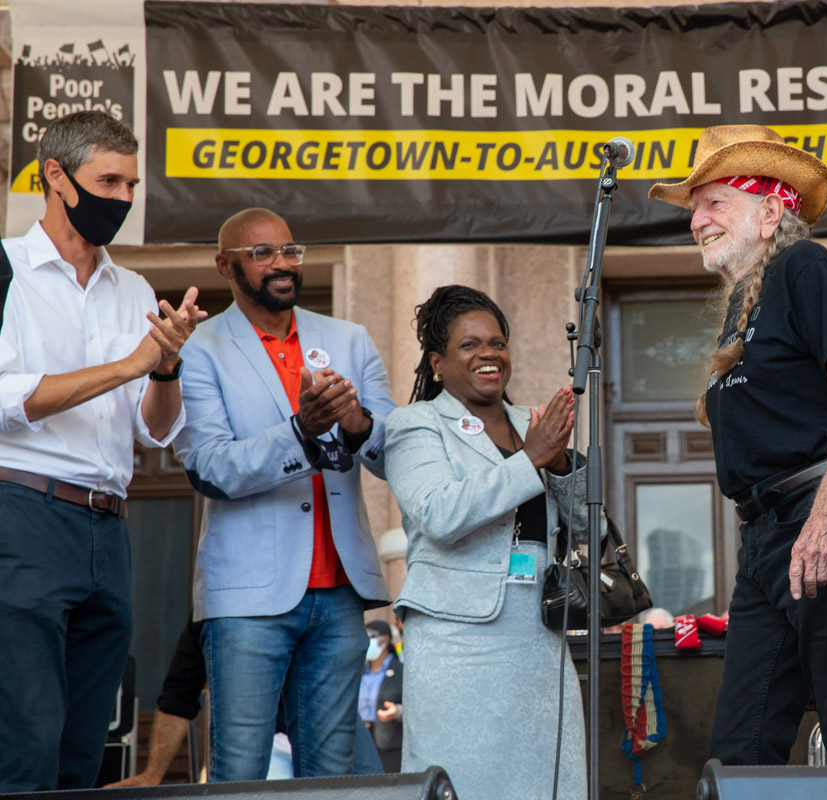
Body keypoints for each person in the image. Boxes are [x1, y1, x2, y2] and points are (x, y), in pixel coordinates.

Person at [648, 125, 827, 766]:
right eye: (694, 207)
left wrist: (824, 519)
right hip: (766, 537)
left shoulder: (803, 266)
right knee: (740, 748)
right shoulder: (746, 299)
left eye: (714, 203)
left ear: (770, 212)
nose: (696, 221)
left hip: (819, 519)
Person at [0, 109, 204, 791]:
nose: (121, 197)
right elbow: (6, 399)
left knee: (85, 744)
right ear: (55, 177)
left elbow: (156, 430)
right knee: (24, 737)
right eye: (107, 180)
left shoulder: (135, 290)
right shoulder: (7, 269)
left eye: (131, 185)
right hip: (22, 512)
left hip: (111, 526)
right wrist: (128, 365)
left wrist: (165, 368)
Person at [173, 207, 396, 780]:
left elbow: (394, 453)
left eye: (290, 251)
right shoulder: (199, 349)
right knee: (240, 776)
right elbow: (209, 466)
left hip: (342, 592)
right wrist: (300, 430)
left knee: (330, 778)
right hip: (249, 597)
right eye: (262, 253)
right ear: (226, 265)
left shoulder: (349, 339)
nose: (282, 264)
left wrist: (357, 424)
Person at [384, 284, 587, 799]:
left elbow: (594, 528)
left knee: (545, 780)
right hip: (456, 640)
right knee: (464, 778)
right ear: (437, 363)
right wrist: (531, 461)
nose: (489, 354)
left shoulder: (533, 425)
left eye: (497, 342)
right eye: (470, 345)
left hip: (539, 636)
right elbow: (440, 512)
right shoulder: (416, 425)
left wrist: (561, 465)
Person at [104, 617, 383, 787]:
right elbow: (179, 696)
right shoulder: (214, 615)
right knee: (243, 787)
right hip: (262, 731)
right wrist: (153, 773)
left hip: (323, 714)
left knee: (369, 785)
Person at [360, 619, 404, 771]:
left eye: (370, 636)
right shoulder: (357, 671)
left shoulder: (401, 671)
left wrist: (397, 711)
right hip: (359, 740)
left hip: (389, 744)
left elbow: (415, 706)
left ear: (384, 640)